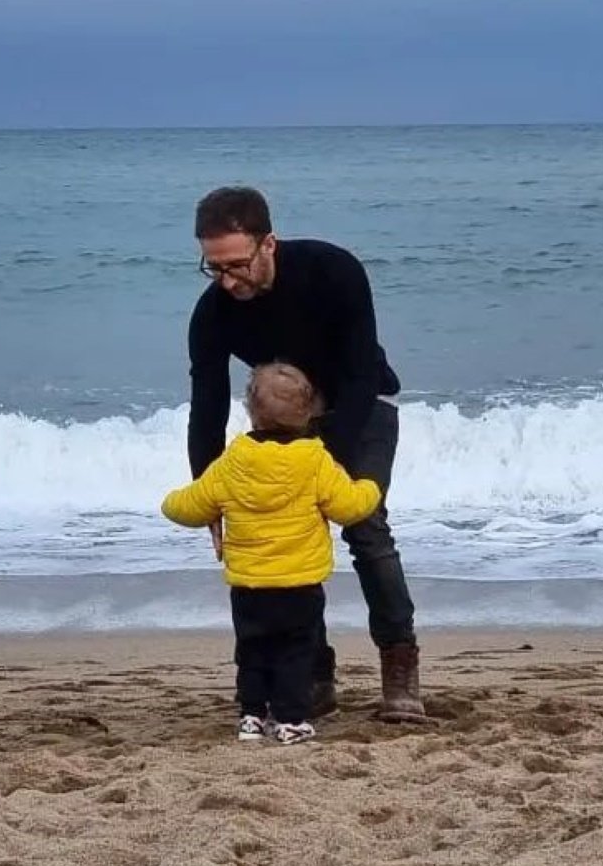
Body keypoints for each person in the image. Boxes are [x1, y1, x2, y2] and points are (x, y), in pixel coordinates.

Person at [186, 185, 427, 723]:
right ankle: (312, 676)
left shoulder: (333, 271)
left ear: (268, 243)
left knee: (365, 527)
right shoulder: (213, 314)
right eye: (213, 267)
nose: (227, 280)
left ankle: (400, 666)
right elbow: (206, 405)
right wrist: (211, 497)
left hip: (360, 406)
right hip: (284, 422)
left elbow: (362, 373)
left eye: (238, 265)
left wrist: (325, 467)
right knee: (286, 533)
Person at [162, 362, 381, 744]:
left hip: (249, 585)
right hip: (299, 583)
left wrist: (172, 502)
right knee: (296, 653)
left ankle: (251, 715)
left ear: (250, 411)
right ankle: (292, 718)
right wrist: (370, 486)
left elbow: (187, 507)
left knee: (252, 650)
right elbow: (348, 507)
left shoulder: (234, 461)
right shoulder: (314, 460)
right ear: (310, 412)